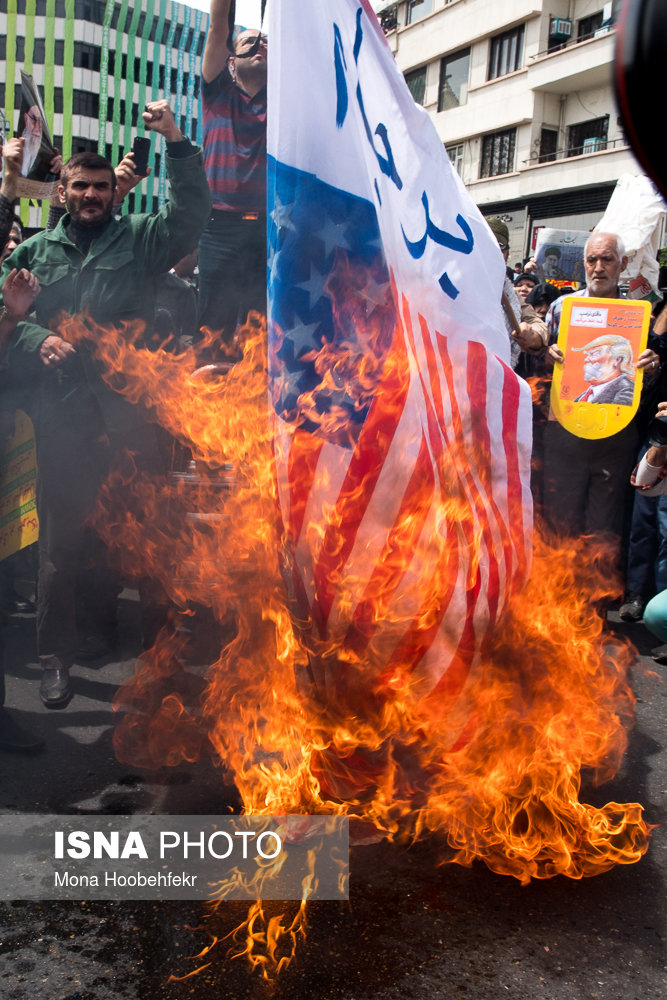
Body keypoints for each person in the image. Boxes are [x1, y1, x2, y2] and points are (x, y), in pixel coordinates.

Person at [1, 99, 211, 709]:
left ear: (112, 193)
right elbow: (3, 317)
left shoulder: (143, 240)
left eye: (99, 187)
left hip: (129, 421)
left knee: (149, 545)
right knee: (59, 551)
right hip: (61, 424)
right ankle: (55, 661)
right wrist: (36, 338)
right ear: (61, 191)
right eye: (79, 186)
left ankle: (161, 663)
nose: (91, 195)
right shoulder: (33, 253)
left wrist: (175, 139)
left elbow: (192, 212)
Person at [543, 232, 660, 542]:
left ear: (622, 263)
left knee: (603, 525)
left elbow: (643, 384)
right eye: (591, 260)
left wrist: (651, 369)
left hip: (614, 438)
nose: (597, 268)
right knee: (559, 520)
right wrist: (546, 354)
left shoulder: (638, 317)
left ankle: (597, 590)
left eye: (606, 259)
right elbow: (539, 370)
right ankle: (557, 589)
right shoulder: (560, 308)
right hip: (565, 435)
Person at [198, 0, 267, 354]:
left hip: (268, 229)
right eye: (249, 43)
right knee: (213, 330)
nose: (260, 46)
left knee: (262, 332)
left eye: (266, 43)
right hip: (219, 226)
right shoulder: (216, 91)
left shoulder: (284, 100)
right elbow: (218, 27)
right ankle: (204, 400)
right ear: (230, 60)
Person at [571, 335, 636, 406]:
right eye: (588, 355)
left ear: (617, 360)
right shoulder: (590, 392)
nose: (586, 359)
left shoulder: (627, 391)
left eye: (595, 355)